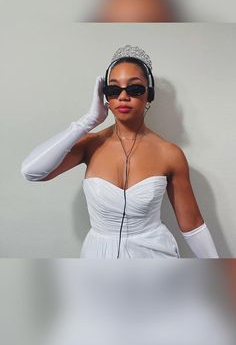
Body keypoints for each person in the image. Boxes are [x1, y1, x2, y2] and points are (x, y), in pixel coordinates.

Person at [21, 45, 219, 259]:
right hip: (99, 257)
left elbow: (192, 225)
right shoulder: (90, 144)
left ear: (149, 95)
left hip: (154, 257)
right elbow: (31, 172)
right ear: (106, 96)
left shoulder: (170, 154)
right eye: (114, 90)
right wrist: (87, 121)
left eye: (134, 89)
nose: (123, 96)